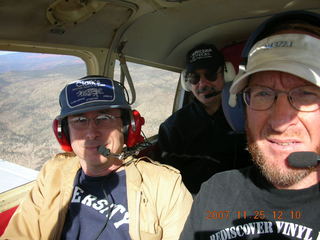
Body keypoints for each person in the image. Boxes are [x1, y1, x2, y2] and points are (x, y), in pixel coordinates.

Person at [179, 10, 320, 240]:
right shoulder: (216, 191)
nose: (279, 122)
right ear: (243, 109)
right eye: (263, 93)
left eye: (305, 93)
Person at [1, 75, 192, 240]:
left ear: (128, 127)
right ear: (64, 133)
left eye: (104, 118)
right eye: (80, 120)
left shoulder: (165, 185)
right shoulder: (52, 173)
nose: (91, 133)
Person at [157, 43, 250, 194]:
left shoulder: (246, 116)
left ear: (225, 73)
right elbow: (165, 180)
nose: (202, 83)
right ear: (187, 82)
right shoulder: (172, 128)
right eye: (194, 77)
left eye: (211, 74)